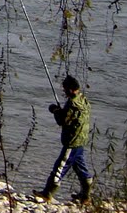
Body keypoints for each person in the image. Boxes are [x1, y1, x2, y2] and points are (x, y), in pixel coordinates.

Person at [37, 75, 93, 203]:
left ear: (71, 89)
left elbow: (62, 121)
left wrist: (55, 110)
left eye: (65, 89)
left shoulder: (72, 103)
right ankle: (85, 196)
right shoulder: (83, 99)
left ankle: (48, 193)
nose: (64, 91)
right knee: (80, 168)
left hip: (72, 141)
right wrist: (62, 111)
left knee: (60, 167)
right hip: (81, 139)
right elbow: (74, 118)